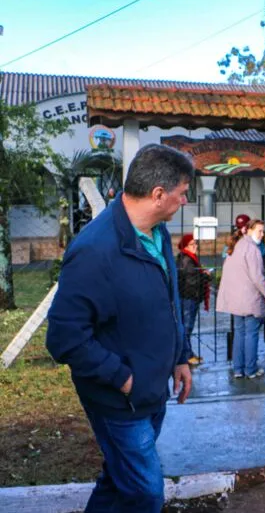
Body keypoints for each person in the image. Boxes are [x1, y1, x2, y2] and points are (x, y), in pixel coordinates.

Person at [46, 144, 195, 513]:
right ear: (158, 195)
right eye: (182, 193)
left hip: (151, 389)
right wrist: (124, 378)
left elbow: (168, 300)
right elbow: (64, 338)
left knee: (119, 477)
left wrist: (179, 356)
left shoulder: (156, 233)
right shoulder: (95, 250)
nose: (185, 201)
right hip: (120, 400)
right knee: (146, 493)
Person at [216, 218, 265, 379]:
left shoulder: (235, 247)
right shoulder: (252, 249)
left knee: (239, 333)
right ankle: (250, 369)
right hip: (250, 299)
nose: (262, 235)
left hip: (235, 299)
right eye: (259, 231)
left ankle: (238, 369)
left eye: (263, 231)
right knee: (251, 334)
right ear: (248, 230)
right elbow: (257, 277)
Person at [176, 233, 210, 366]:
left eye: (196, 243)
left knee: (186, 326)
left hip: (188, 296)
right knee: (187, 327)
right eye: (192, 244)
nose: (195, 246)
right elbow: (192, 281)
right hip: (189, 297)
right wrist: (206, 276)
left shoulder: (188, 258)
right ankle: (186, 355)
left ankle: (187, 353)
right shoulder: (187, 260)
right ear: (185, 246)